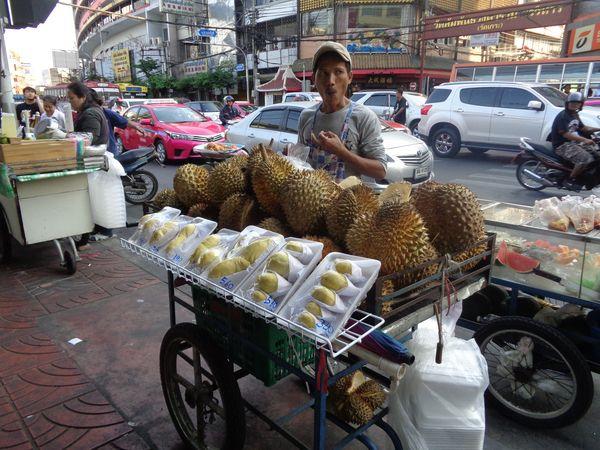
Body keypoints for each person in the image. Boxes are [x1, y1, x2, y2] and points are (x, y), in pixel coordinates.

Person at [297, 41, 386, 182]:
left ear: (349, 77)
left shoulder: (364, 117)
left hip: (347, 203)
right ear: (314, 78)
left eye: (338, 72)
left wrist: (341, 152)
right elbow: (299, 162)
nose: (330, 81)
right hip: (310, 202)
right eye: (324, 73)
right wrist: (290, 158)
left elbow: (381, 171)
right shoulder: (306, 116)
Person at [551, 91, 600, 188]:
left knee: (596, 155)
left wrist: (598, 129)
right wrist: (584, 140)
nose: (574, 105)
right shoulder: (563, 116)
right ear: (567, 103)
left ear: (580, 105)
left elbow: (584, 128)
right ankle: (570, 179)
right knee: (585, 159)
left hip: (573, 143)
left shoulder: (574, 115)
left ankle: (584, 176)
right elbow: (566, 134)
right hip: (562, 145)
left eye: (577, 103)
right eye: (572, 103)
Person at [89, 89, 147, 156]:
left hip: (110, 153)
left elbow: (125, 122)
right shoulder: (83, 115)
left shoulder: (107, 113)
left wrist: (138, 127)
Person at [67, 81, 109, 146]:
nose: (69, 101)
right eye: (69, 98)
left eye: (72, 98)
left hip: (93, 155)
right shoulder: (87, 111)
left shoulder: (90, 114)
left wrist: (66, 136)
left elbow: (89, 139)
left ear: (83, 97)